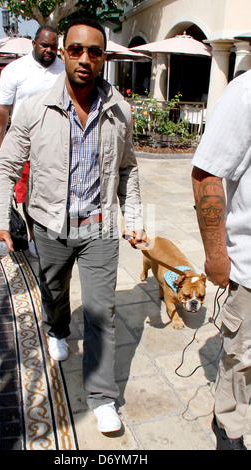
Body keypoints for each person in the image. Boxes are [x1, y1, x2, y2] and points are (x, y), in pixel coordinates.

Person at [0, 17, 144, 433]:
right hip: (50, 225)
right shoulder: (34, 107)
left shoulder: (120, 111)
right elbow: (5, 168)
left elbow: (128, 170)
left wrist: (136, 220)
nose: (84, 58)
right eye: (75, 49)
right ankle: (57, 327)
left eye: (94, 51)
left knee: (101, 312)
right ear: (62, 51)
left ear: (104, 57)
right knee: (54, 293)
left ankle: (102, 395)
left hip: (101, 229)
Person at [191, 70, 251, 450]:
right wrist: (216, 255)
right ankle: (228, 427)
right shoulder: (246, 91)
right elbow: (207, 173)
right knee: (242, 359)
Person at [0, 25, 64, 257]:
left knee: (52, 191)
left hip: (55, 145)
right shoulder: (15, 70)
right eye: (45, 45)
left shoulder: (64, 71)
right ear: (34, 44)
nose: (49, 50)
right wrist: (2, 147)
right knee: (27, 195)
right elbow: (3, 111)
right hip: (24, 144)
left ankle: (52, 233)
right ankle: (34, 236)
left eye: (54, 46)